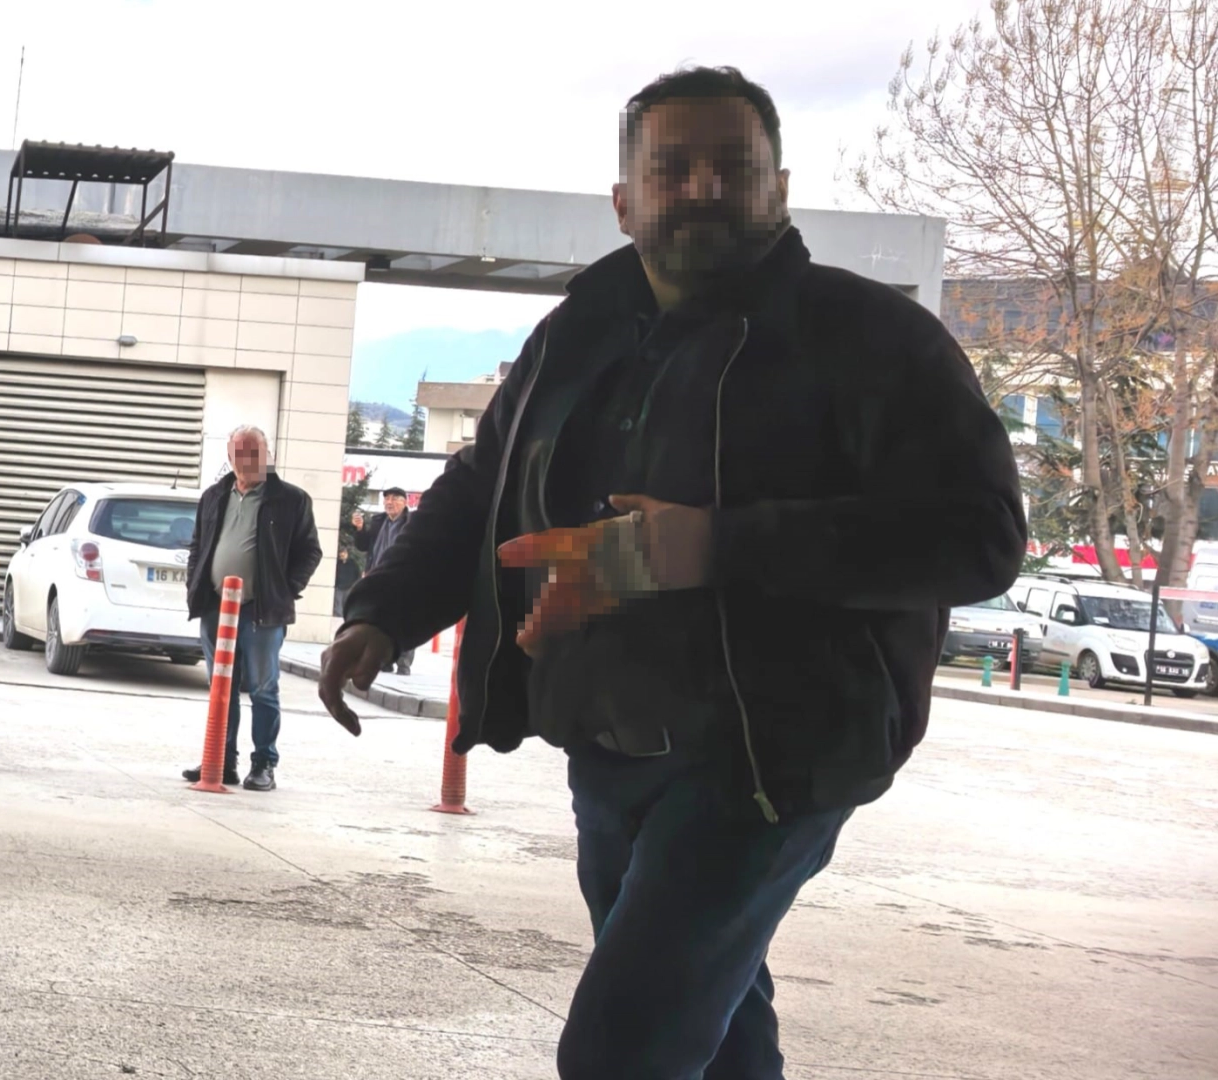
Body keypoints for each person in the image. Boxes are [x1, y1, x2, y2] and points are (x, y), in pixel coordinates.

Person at [319, 65, 1025, 1079]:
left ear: (780, 189)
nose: (702, 188)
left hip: (770, 761)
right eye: (671, 169)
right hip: (605, 745)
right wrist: (382, 613)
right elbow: (480, 488)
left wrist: (714, 545)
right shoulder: (572, 337)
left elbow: (979, 537)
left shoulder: (873, 340)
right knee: (717, 1036)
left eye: (733, 167)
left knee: (622, 1050)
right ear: (623, 200)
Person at [184, 425, 321, 792]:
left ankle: (263, 764)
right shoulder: (214, 496)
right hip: (216, 608)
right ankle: (220, 759)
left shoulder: (291, 500)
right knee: (221, 688)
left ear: (267, 455)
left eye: (256, 453)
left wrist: (284, 590)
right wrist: (194, 584)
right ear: (230, 457)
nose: (248, 461)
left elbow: (310, 551)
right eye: (241, 454)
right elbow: (198, 545)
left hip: (261, 612)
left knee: (263, 688)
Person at [351, 487, 416, 673]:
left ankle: (403, 662)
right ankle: (385, 660)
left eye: (394, 499)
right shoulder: (378, 521)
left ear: (405, 502)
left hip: (403, 578)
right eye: (386, 499)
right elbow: (363, 546)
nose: (389, 502)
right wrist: (359, 529)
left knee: (404, 620)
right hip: (378, 577)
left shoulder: (413, 522)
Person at [333, 545, 361, 616]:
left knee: (346, 604)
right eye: (340, 555)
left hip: (349, 587)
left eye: (343, 554)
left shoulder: (352, 563)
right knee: (338, 605)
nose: (342, 556)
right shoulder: (337, 563)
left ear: (346, 554)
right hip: (339, 587)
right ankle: (338, 617)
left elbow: (357, 574)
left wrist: (354, 585)